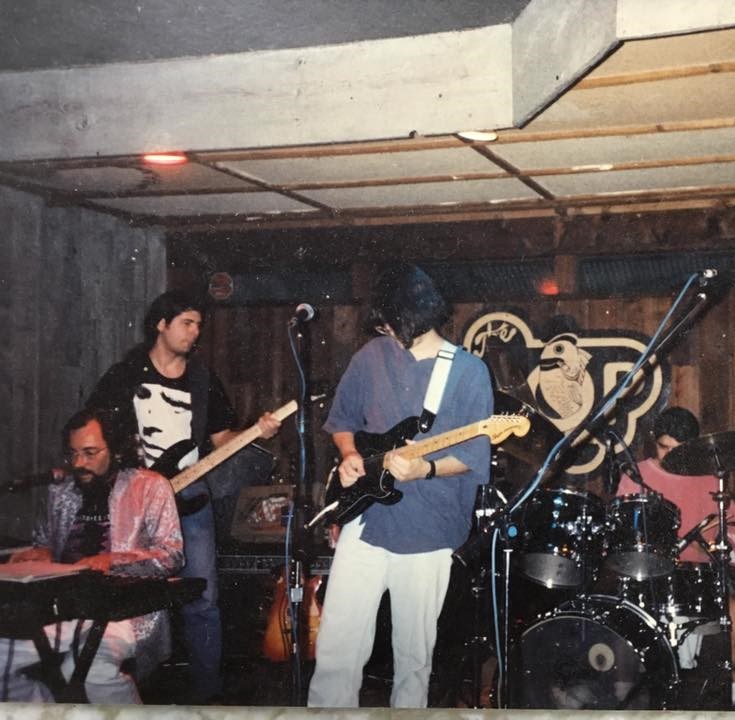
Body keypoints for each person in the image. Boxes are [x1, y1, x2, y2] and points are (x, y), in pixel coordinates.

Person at [307, 263, 493, 708]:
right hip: (366, 520)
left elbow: (473, 457)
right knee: (337, 646)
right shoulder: (370, 357)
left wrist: (425, 470)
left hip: (430, 528)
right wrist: (350, 455)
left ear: (408, 318)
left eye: (389, 321)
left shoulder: (468, 372)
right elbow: (342, 421)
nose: (383, 328)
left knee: (413, 657)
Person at [86, 290, 280, 704]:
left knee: (202, 595)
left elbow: (222, 438)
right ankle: (129, 689)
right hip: (135, 497)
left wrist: (255, 433)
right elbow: (95, 433)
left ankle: (206, 696)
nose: (195, 332)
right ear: (162, 323)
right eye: (187, 323)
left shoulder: (202, 380)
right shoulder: (125, 375)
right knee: (128, 594)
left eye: (198, 325)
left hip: (190, 495)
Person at [2, 408, 183, 703]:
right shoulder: (61, 492)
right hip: (64, 608)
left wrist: (112, 560)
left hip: (126, 612)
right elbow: (45, 541)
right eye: (72, 454)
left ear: (116, 450)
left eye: (90, 453)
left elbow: (171, 557)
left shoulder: (150, 487)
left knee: (88, 668)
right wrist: (38, 553)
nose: (78, 463)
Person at [616, 407, 735, 703]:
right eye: (664, 448)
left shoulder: (711, 481)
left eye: (677, 450)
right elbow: (624, 533)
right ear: (654, 442)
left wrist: (721, 547)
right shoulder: (636, 476)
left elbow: (734, 532)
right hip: (649, 574)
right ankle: (623, 699)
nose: (669, 456)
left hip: (698, 577)